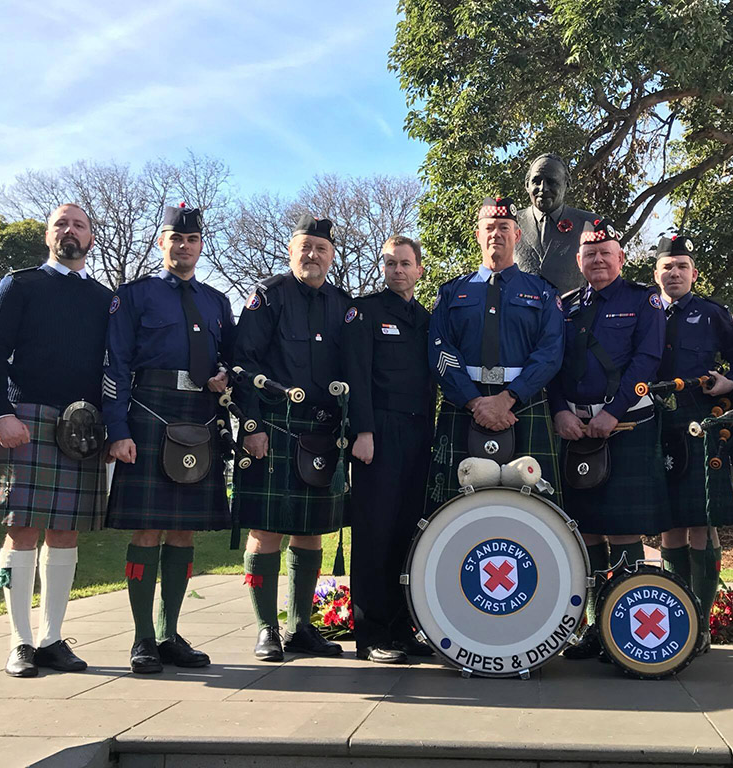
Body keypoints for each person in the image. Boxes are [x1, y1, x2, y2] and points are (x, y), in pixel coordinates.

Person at [0, 203, 112, 677]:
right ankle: (20, 642)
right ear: (47, 236)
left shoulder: (103, 298)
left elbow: (111, 367)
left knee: (65, 532)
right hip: (26, 420)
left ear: (91, 238)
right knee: (23, 529)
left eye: (79, 224)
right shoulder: (21, 284)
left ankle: (53, 638)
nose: (70, 230)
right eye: (61, 224)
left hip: (81, 425)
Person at [104, 204, 235, 674]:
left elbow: (233, 360)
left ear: (201, 245)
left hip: (198, 416)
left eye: (193, 239)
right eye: (175, 238)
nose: (184, 246)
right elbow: (115, 366)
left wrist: (225, 376)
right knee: (148, 527)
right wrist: (117, 430)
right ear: (162, 243)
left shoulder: (218, 302)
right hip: (148, 413)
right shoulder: (134, 295)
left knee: (184, 530)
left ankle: (169, 633)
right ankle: (141, 638)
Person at [547, 218, 667, 660]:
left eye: (605, 253)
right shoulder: (565, 306)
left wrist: (613, 411)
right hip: (575, 429)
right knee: (588, 530)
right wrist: (559, 409)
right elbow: (552, 362)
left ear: (620, 258)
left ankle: (627, 627)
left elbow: (648, 360)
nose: (597, 260)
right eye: (589, 254)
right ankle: (596, 626)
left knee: (623, 529)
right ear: (579, 260)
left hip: (627, 426)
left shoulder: (643, 300)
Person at [235, 214, 350, 663]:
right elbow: (243, 361)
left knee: (312, 531)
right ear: (291, 250)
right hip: (275, 427)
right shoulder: (269, 296)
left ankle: (300, 626)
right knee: (266, 532)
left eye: (321, 248)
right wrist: (252, 425)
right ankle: (266, 629)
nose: (313, 255)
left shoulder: (342, 304)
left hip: (323, 430)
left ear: (331, 254)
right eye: (305, 247)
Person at [426, 195, 564, 508]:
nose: (496, 233)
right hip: (464, 405)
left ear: (517, 235)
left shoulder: (542, 292)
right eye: (489, 227)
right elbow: (439, 350)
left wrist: (508, 398)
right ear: (478, 234)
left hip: (522, 405)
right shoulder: (451, 292)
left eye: (504, 227)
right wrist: (475, 401)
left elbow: (551, 350)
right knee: (454, 507)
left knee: (536, 506)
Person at [344, 235, 436, 664]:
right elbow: (357, 375)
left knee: (408, 533)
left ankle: (403, 628)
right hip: (377, 435)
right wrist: (362, 431)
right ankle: (372, 632)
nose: (397, 270)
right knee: (374, 532)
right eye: (390, 263)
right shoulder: (365, 312)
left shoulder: (426, 318)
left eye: (405, 263)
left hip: (419, 437)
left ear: (420, 269)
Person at [652, 235, 733, 652]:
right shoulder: (645, 312)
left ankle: (702, 624)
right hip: (654, 424)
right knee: (668, 524)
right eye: (667, 267)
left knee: (701, 521)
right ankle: (678, 618)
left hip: (700, 423)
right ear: (656, 273)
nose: (674, 273)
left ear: (693, 273)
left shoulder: (712, 313)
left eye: (681, 267)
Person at [514, 154, 600, 294]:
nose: (543, 188)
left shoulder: (590, 224)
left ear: (567, 184)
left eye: (551, 182)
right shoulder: (509, 224)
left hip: (573, 314)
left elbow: (602, 279)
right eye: (536, 181)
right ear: (527, 184)